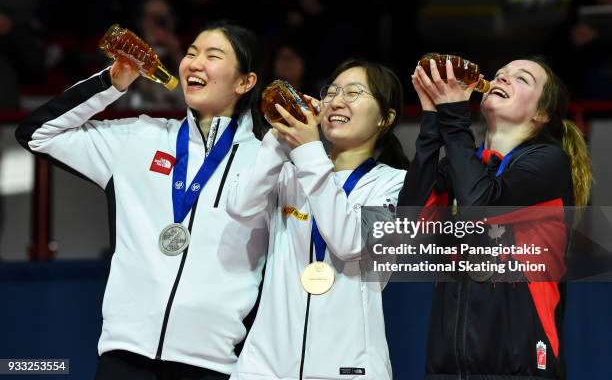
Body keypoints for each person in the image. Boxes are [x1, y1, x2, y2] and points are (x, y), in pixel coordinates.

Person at [15, 21, 268, 380]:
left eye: (213, 56)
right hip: (125, 357)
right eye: (192, 52)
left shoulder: (268, 163)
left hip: (214, 365)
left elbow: (367, 264)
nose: (195, 63)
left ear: (246, 82)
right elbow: (37, 134)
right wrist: (112, 82)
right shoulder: (140, 138)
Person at [400, 57, 592, 378]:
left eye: (522, 78)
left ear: (541, 113)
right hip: (447, 367)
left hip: (519, 368)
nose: (503, 77)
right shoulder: (464, 167)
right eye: (501, 72)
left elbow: (480, 203)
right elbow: (407, 224)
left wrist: (455, 117)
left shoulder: (548, 162)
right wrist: (433, 117)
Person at [227, 59, 409, 380]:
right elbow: (240, 208)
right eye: (333, 91)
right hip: (264, 367)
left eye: (354, 93)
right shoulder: (290, 172)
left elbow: (350, 242)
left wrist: (310, 150)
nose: (337, 100)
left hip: (349, 369)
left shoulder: (396, 185)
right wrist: (278, 141)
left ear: (386, 117)